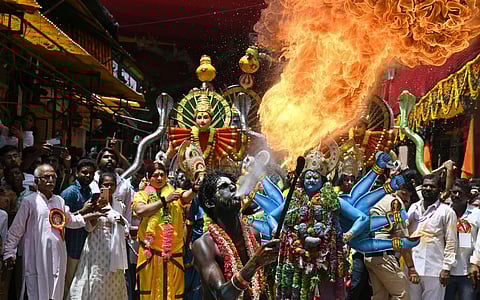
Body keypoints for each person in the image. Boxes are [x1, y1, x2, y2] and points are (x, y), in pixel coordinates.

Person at [2, 164, 102, 300]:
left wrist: (91, 216)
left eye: (53, 177)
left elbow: (70, 220)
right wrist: (9, 253)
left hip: (58, 254)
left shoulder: (59, 201)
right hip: (36, 254)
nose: (50, 180)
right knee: (35, 290)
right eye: (46, 177)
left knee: (55, 289)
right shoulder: (29, 202)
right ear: (37, 180)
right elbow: (16, 230)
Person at [192, 171, 279, 300]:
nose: (233, 187)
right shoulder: (203, 245)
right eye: (223, 187)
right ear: (210, 203)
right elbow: (221, 295)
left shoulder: (253, 234)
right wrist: (255, 263)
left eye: (232, 184)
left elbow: (260, 285)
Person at [133, 161, 198, 299]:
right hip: (150, 253)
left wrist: (195, 189)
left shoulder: (174, 193)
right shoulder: (142, 195)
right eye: (155, 175)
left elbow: (186, 197)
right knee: (149, 293)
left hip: (173, 254)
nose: (159, 178)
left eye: (162, 175)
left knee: (174, 293)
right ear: (148, 177)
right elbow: (140, 211)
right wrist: (164, 201)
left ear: (167, 177)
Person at [68, 172, 128, 300]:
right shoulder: (92, 202)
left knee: (114, 278)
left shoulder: (120, 204)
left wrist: (121, 222)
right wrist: (96, 211)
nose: (109, 187)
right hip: (96, 245)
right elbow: (88, 227)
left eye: (112, 184)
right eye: (106, 185)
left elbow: (126, 229)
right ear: (100, 186)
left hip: (114, 247)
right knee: (96, 277)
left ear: (116, 186)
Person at [364, 172, 420, 300]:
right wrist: (411, 268)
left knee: (380, 296)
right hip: (383, 256)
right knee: (402, 295)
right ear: (405, 193)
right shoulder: (396, 204)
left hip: (370, 255)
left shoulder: (379, 199)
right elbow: (403, 241)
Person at [407, 173, 457, 300]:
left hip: (435, 269)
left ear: (440, 189)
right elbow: (404, 234)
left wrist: (446, 268)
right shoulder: (413, 208)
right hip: (412, 267)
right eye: (425, 186)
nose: (428, 189)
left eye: (432, 186)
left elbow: (451, 241)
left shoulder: (447, 212)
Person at [61, 159, 97, 298]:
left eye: (91, 173)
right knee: (68, 285)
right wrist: (84, 210)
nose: (88, 176)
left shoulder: (90, 192)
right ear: (77, 173)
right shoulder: (70, 192)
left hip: (86, 245)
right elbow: (62, 220)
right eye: (84, 172)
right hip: (71, 246)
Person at [445, 179, 479, 300]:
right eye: (454, 192)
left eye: (461, 193)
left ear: (468, 195)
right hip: (445, 272)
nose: (457, 195)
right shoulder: (443, 212)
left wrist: (475, 263)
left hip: (468, 272)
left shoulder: (476, 214)